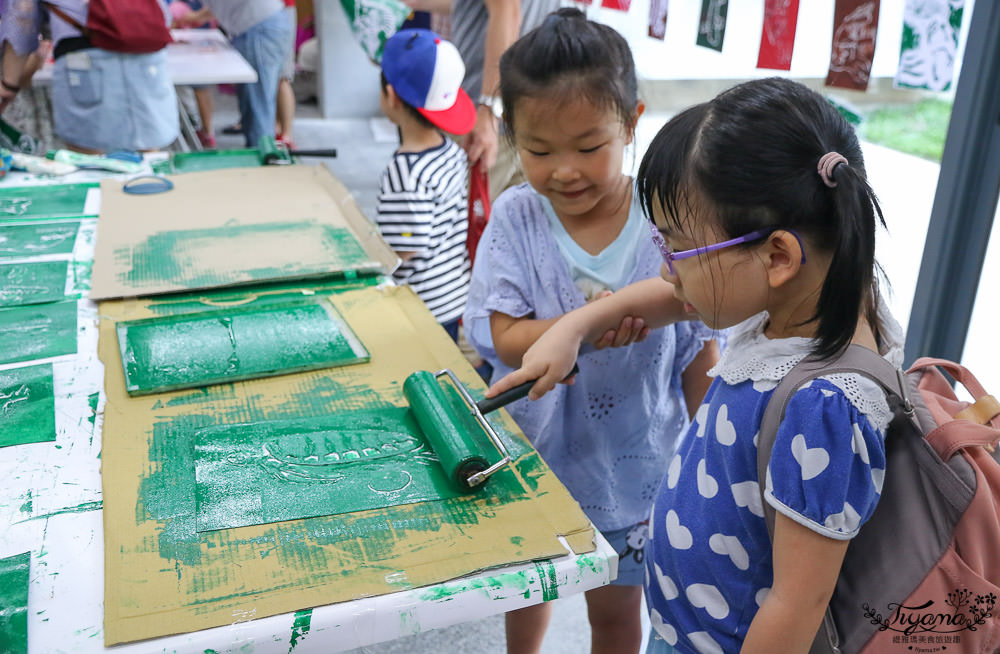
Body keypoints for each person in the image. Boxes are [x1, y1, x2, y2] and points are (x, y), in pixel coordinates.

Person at [485, 76, 906, 654]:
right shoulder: (796, 301)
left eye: (676, 247)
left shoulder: (824, 408)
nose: (664, 271)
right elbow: (670, 298)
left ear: (777, 254)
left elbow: (796, 603)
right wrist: (573, 328)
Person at [463, 10, 719, 654]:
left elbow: (695, 338)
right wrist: (574, 332)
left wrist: (711, 453)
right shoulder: (519, 217)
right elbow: (499, 331)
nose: (565, 172)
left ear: (632, 123)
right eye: (539, 151)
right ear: (512, 133)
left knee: (615, 615)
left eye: (588, 146)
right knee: (528, 597)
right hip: (538, 455)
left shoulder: (665, 219)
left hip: (634, 467)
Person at [374, 28, 475, 342]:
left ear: (390, 96)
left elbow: (403, 249)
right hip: (452, 294)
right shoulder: (452, 151)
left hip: (419, 306)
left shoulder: (405, 172)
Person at [0, 0, 179, 153]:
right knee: (147, 153)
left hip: (87, 58)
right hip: (148, 56)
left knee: (89, 161)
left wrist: (10, 84)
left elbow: (23, 14)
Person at [178, 0, 293, 148]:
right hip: (260, 25)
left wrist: (185, 17)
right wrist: (192, 17)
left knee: (257, 102)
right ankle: (259, 150)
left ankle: (263, 155)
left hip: (259, 27)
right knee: (253, 99)